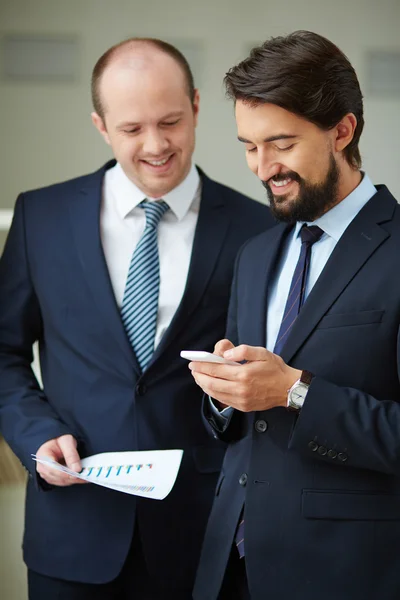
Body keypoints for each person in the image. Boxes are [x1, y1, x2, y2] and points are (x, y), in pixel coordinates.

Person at [0, 38, 273, 600]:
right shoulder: (40, 217)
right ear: (100, 125)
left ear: (197, 106)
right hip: (73, 528)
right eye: (131, 129)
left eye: (171, 121)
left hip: (205, 533)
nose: (155, 146)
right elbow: (2, 353)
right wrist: (36, 435)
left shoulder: (258, 228)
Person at [190, 30, 400, 600]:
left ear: (343, 130)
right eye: (249, 146)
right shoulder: (256, 254)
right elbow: (245, 426)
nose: (262, 168)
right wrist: (224, 390)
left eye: (280, 144)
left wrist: (294, 391)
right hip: (228, 568)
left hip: (342, 574)